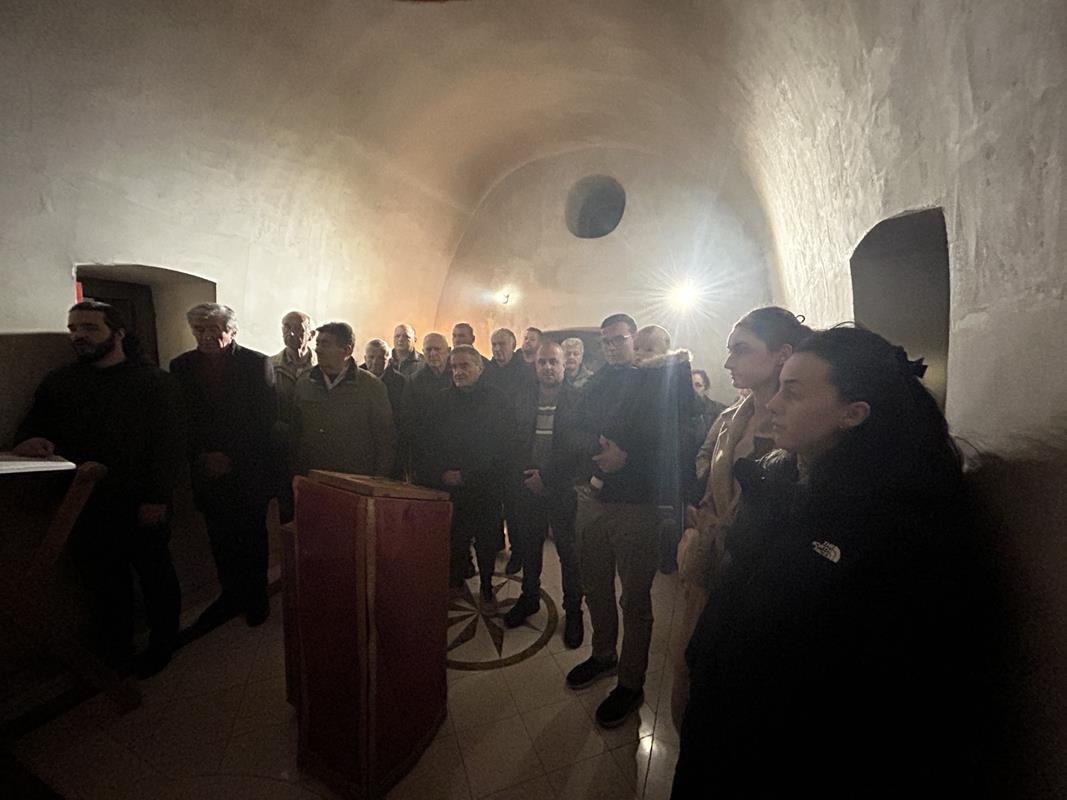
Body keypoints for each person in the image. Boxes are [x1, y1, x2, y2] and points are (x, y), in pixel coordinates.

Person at [672, 325, 975, 798]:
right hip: (726, 717)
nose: (773, 404)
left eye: (793, 393)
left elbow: (886, 685)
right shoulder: (777, 478)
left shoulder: (898, 524)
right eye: (779, 388)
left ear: (853, 414)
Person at [13, 301, 185, 678]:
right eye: (74, 328)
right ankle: (116, 650)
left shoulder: (154, 382)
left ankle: (163, 644)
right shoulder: (60, 383)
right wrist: (32, 441)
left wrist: (157, 497)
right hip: (85, 503)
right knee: (103, 581)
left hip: (140, 500)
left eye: (90, 328)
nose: (79, 336)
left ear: (118, 333)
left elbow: (169, 445)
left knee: (154, 574)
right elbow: (29, 430)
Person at [670, 307, 811, 727]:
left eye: (741, 350)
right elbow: (711, 469)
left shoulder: (802, 427)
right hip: (712, 563)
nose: (728, 361)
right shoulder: (734, 415)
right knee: (690, 669)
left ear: (782, 354)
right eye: (730, 350)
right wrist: (702, 515)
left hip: (760, 580)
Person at [563, 313, 677, 728]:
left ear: (634, 338)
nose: (611, 347)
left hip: (636, 504)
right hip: (593, 500)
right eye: (606, 342)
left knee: (635, 598)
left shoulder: (659, 382)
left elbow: (672, 442)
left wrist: (626, 458)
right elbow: (572, 429)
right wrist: (599, 449)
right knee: (595, 585)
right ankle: (603, 654)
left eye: (619, 340)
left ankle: (631, 682)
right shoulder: (598, 381)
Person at [170, 303, 277, 629]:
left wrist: (231, 457)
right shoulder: (181, 366)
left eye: (213, 330)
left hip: (247, 471)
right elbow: (182, 420)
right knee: (220, 539)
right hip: (207, 471)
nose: (205, 336)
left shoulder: (256, 363)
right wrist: (203, 456)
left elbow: (265, 420)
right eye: (199, 330)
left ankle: (256, 599)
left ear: (232, 331)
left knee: (252, 539)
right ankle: (229, 596)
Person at [415, 345, 513, 603]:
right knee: (455, 540)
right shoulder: (440, 401)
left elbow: (503, 446)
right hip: (450, 488)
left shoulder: (498, 400)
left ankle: (487, 587)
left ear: (479, 368)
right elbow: (428, 443)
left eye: (464, 366)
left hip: (485, 487)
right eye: (454, 367)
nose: (458, 372)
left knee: (486, 543)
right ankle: (456, 581)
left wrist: (468, 474)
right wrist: (441, 473)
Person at [504, 341, 585, 647]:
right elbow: (514, 440)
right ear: (535, 366)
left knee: (568, 552)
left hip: (562, 488)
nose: (548, 367)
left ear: (564, 365)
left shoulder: (578, 399)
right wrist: (527, 476)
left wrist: (547, 478)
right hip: (528, 485)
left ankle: (573, 610)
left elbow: (577, 449)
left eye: (554, 362)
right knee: (529, 546)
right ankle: (529, 598)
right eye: (542, 362)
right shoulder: (523, 397)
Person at [629, 325, 701, 574]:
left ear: (665, 351)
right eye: (637, 348)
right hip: (644, 463)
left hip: (667, 463)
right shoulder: (636, 375)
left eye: (649, 349)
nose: (640, 354)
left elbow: (683, 422)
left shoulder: (669, 377)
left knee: (664, 520)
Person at [290, 323, 395, 478]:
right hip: (311, 477)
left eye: (325, 344)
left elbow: (385, 440)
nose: (318, 349)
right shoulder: (305, 382)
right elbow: (295, 433)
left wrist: (378, 480)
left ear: (347, 350)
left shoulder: (371, 387)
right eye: (317, 344)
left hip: (353, 479)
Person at [398, 332, 452, 479]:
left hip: (456, 451)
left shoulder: (457, 376)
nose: (433, 353)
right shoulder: (414, 381)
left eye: (437, 349)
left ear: (448, 351)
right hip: (427, 454)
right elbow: (408, 421)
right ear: (423, 352)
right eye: (428, 349)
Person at [269, 310, 317, 417]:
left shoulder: (323, 367)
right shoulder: (270, 366)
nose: (291, 333)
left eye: (297, 328)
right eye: (287, 328)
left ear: (311, 335)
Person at [360, 337, 407, 421]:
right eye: (371, 357)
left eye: (380, 358)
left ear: (389, 360)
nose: (375, 362)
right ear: (365, 358)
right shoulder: (355, 378)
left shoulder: (400, 382)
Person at [690, 369, 726, 441]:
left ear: (706, 389)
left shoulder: (719, 411)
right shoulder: (678, 412)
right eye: (690, 385)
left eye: (698, 385)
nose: (693, 390)